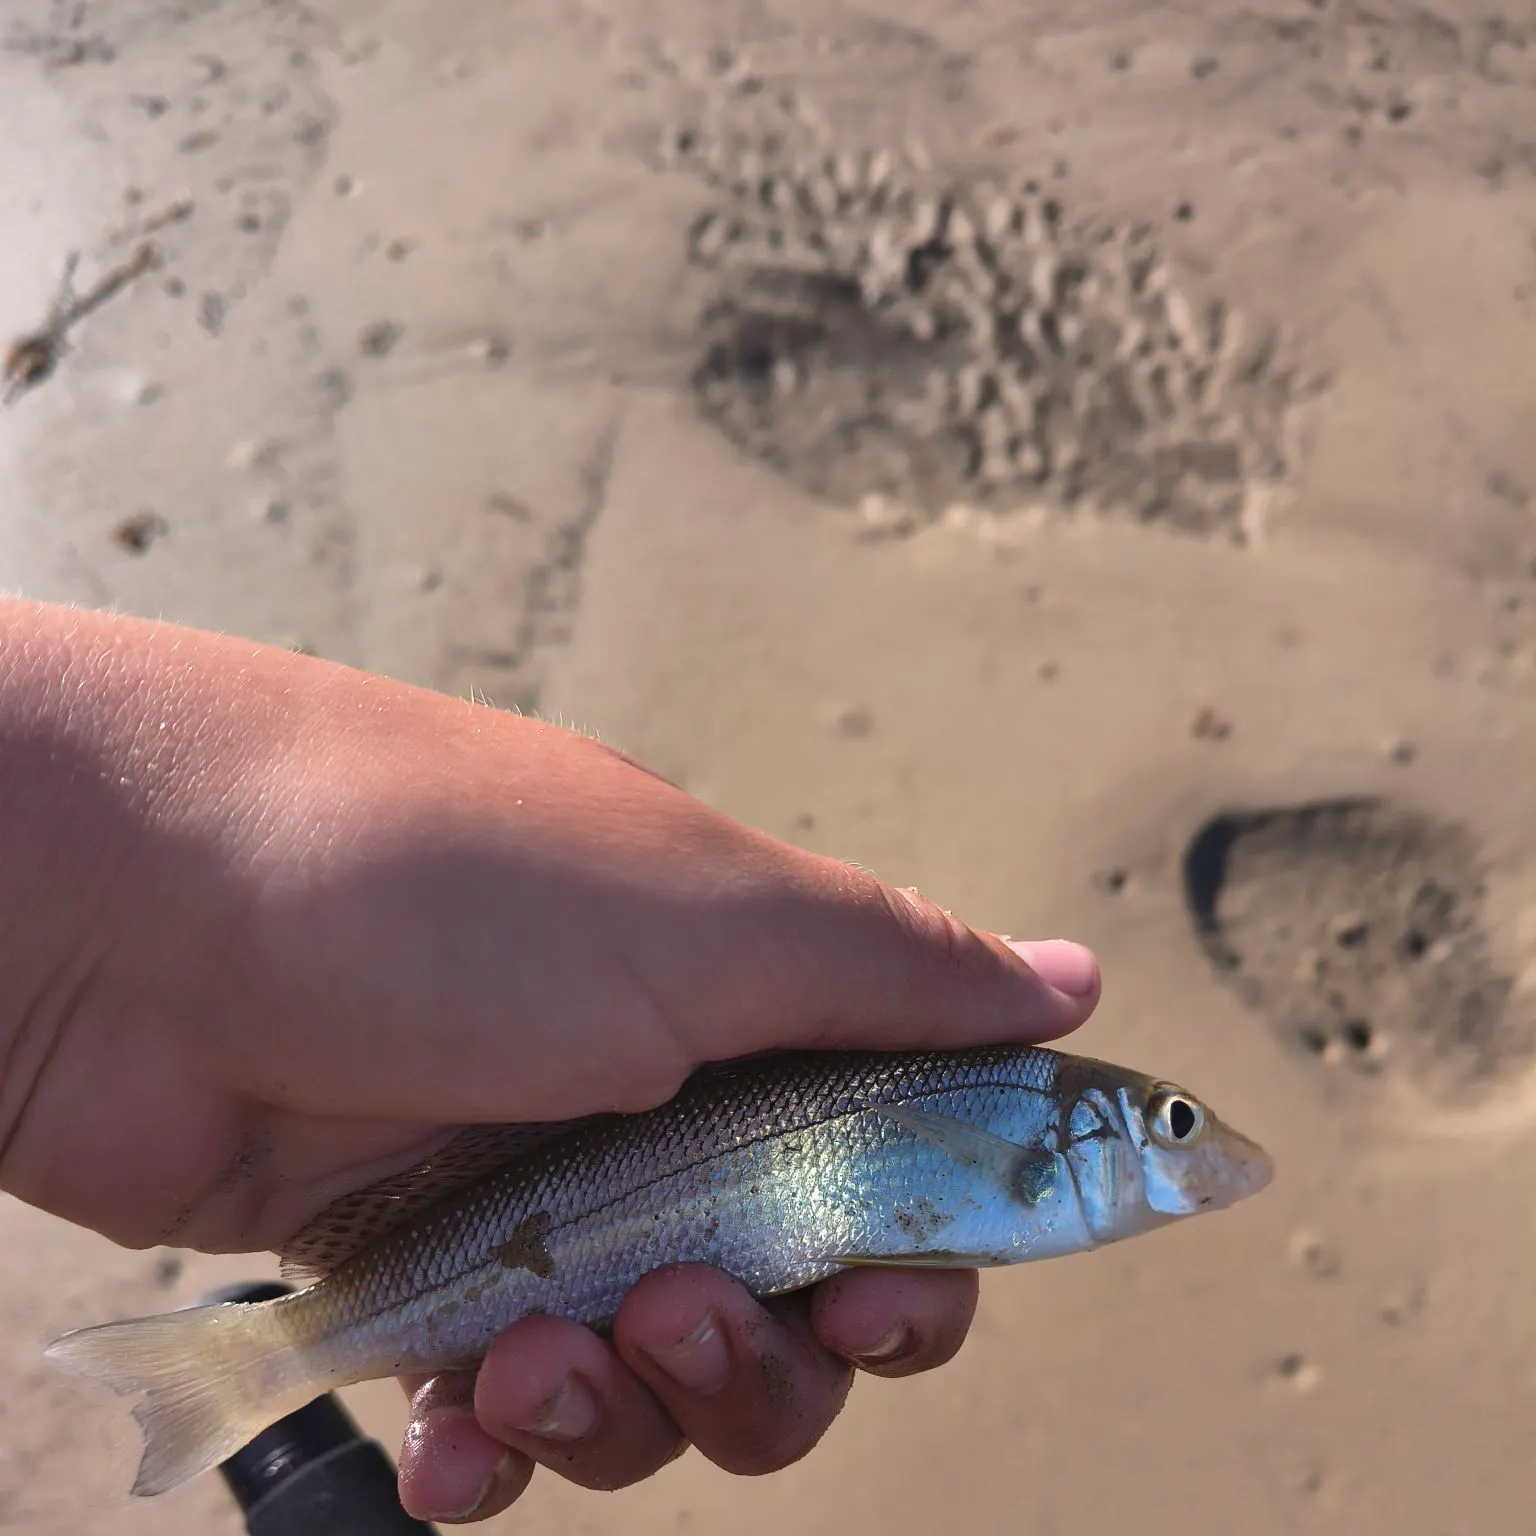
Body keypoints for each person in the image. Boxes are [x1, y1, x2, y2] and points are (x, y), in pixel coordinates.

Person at [0, 598, 1101, 1523]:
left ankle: (304, 1345)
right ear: (1087, 1136)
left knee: (656, 1354)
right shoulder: (1022, 1116)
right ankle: (280, 1352)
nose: (1183, 1148)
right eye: (1174, 1124)